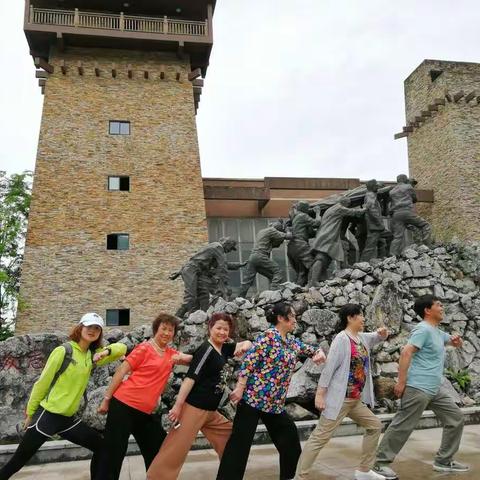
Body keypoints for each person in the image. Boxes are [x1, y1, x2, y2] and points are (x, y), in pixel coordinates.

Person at [0, 313, 127, 480]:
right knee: (18, 461)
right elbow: (42, 383)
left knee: (102, 447)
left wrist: (107, 351)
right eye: (89, 326)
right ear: (81, 327)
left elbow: (122, 349)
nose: (93, 331)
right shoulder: (63, 351)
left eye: (97, 328)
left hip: (68, 419)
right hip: (47, 416)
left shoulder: (92, 355)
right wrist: (30, 413)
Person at [216, 302, 326, 480]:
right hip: (253, 400)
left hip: (274, 404)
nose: (295, 320)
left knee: (290, 442)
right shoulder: (267, 337)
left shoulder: (290, 341)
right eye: (292, 316)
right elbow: (248, 363)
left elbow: (310, 350)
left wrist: (318, 353)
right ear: (281, 318)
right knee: (239, 447)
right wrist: (239, 388)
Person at [147, 312, 252, 480]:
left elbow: (246, 344)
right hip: (194, 409)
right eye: (218, 328)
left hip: (211, 412)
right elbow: (190, 379)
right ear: (210, 328)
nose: (222, 332)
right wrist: (178, 406)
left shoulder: (223, 348)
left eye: (226, 329)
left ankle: (229, 474)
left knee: (231, 439)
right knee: (175, 450)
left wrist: (246, 344)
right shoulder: (206, 349)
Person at [374, 295, 468, 479]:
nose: (442, 307)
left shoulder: (437, 331)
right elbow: (406, 353)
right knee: (403, 425)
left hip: (434, 389)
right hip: (418, 387)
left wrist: (457, 341)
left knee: (455, 418)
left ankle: (443, 461)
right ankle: (380, 463)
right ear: (427, 310)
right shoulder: (423, 329)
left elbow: (452, 340)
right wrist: (401, 383)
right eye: (439, 305)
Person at [295, 304, 388, 480]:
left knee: (374, 426)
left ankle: (364, 470)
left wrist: (382, 333)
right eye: (361, 315)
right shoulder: (342, 339)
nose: (363, 319)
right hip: (339, 400)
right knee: (319, 438)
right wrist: (320, 395)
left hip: (354, 401)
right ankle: (300, 477)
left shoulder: (360, 338)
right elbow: (329, 369)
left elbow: (376, 337)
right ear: (350, 318)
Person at [96, 313, 192, 480]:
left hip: (145, 413)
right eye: (164, 328)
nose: (167, 333)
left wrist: (220, 348)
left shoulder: (171, 354)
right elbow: (121, 372)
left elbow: (193, 360)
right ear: (156, 329)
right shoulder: (144, 348)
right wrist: (106, 400)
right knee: (114, 453)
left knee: (158, 448)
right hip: (123, 406)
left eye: (171, 330)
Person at [174, 237, 238, 318]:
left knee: (203, 294)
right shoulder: (218, 247)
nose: (230, 251)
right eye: (231, 248)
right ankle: (176, 318)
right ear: (227, 244)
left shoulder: (214, 248)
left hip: (197, 271)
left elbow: (218, 265)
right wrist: (225, 283)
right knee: (191, 296)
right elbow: (222, 265)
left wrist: (238, 265)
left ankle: (198, 317)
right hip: (192, 270)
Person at [309, 197, 365, 286]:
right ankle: (314, 281)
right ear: (345, 203)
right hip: (327, 236)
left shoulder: (331, 209)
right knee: (321, 257)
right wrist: (366, 208)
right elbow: (355, 212)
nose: (348, 205)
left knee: (328, 257)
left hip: (327, 235)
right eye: (348, 204)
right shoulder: (339, 208)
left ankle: (342, 266)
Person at [238, 220, 292, 298]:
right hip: (261, 256)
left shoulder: (262, 231)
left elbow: (275, 244)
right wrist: (287, 230)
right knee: (278, 271)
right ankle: (273, 294)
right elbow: (289, 236)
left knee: (247, 281)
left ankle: (239, 298)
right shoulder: (272, 230)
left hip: (253, 257)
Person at [388, 174, 431, 256]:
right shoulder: (408, 187)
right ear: (404, 179)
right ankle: (427, 245)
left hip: (396, 214)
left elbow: (391, 203)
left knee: (397, 236)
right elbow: (414, 199)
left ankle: (392, 254)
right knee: (425, 225)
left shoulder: (392, 191)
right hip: (406, 212)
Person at [287, 201, 320, 286]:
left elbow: (310, 233)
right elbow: (317, 223)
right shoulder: (303, 216)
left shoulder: (296, 218)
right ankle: (313, 284)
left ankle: (298, 290)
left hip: (292, 247)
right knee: (314, 264)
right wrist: (317, 213)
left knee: (302, 272)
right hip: (300, 245)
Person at [360, 180, 387, 261]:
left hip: (376, 226)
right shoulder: (370, 195)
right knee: (370, 246)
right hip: (374, 226)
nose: (377, 187)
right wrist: (379, 224)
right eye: (376, 185)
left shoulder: (372, 195)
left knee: (383, 241)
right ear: (372, 186)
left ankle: (382, 259)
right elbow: (372, 210)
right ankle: (362, 263)